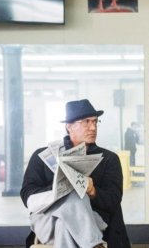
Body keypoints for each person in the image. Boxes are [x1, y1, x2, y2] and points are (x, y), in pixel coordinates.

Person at [20, 99, 130, 248]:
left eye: (96, 122)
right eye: (86, 122)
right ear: (69, 126)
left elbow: (113, 200)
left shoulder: (108, 159)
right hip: (47, 219)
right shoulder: (42, 155)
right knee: (71, 194)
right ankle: (94, 244)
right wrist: (57, 190)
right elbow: (27, 194)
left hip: (91, 218)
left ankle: (92, 243)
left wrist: (92, 191)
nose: (93, 127)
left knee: (65, 223)